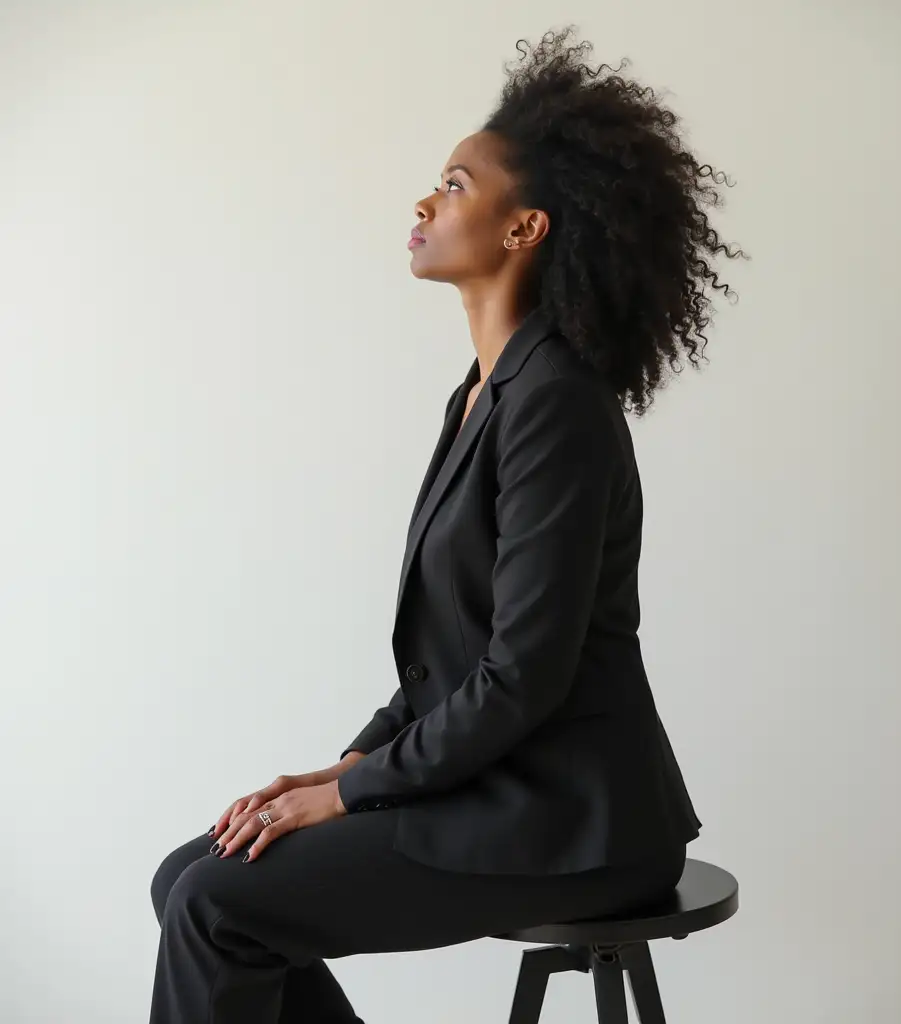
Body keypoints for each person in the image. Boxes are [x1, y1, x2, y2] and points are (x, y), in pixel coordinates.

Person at [148, 26, 743, 1024]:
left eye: (457, 184)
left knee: (214, 903)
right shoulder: (484, 393)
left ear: (525, 229)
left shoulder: (553, 398)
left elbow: (521, 676)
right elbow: (450, 666)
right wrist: (341, 767)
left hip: (572, 821)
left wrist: (352, 795)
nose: (425, 202)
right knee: (192, 875)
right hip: (504, 788)